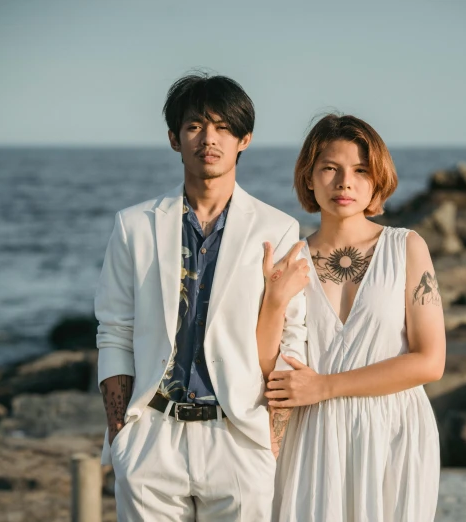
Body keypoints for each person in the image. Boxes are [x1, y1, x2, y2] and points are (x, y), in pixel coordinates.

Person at [95, 73, 307, 521]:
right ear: (174, 138)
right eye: (194, 126)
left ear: (243, 139)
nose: (209, 138)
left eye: (223, 127)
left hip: (237, 435)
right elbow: (114, 329)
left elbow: (292, 340)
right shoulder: (133, 225)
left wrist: (272, 434)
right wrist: (120, 430)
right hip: (153, 434)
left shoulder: (278, 229)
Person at [261, 114, 444, 522]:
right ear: (309, 177)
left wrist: (326, 386)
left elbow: (430, 362)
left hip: (394, 431)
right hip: (312, 436)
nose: (345, 182)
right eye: (330, 168)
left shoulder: (407, 248)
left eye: (361, 170)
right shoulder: (291, 258)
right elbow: (267, 363)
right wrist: (273, 301)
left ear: (377, 181)